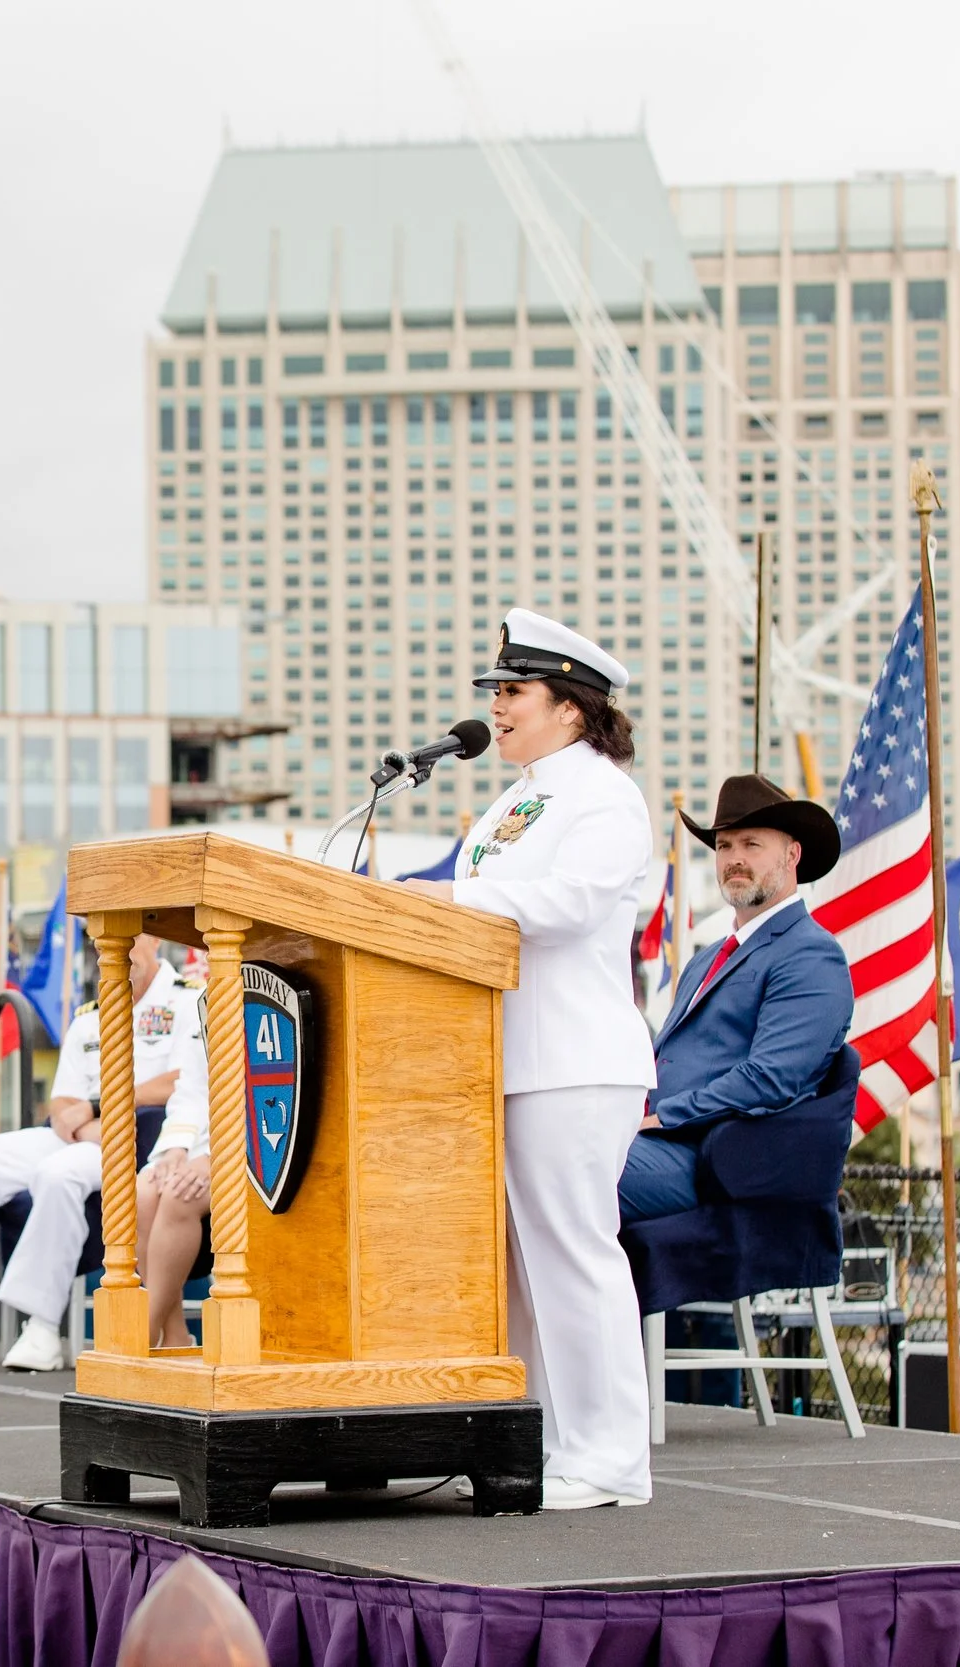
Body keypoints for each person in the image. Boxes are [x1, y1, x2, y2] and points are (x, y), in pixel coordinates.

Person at [402, 608, 653, 1510]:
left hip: (574, 1059)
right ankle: (542, 1442)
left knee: (575, 1255)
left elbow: (575, 902)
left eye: (513, 691)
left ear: (572, 708)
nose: (497, 707)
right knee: (518, 1264)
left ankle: (611, 1457)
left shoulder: (604, 795)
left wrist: (448, 900)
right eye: (496, 692)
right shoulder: (517, 798)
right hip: (502, 1060)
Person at [0, 934, 198, 1372]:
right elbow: (62, 1101)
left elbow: (183, 1081)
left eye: (133, 936)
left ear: (157, 940)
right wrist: (86, 1122)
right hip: (84, 1135)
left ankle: (43, 1328)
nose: (120, 950)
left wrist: (102, 1109)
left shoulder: (188, 1002)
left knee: (57, 1175)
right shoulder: (90, 1017)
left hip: (145, 1143)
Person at [620, 775, 853, 1222]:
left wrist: (666, 1117)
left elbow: (771, 1079)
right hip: (652, 1140)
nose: (734, 859)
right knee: (524, 1153)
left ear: (792, 855)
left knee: (567, 1172)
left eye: (751, 844)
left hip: (714, 1158)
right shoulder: (704, 961)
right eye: (725, 847)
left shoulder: (811, 954)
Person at [136, 993, 212, 1349]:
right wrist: (175, 1149)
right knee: (146, 1187)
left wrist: (217, 1156)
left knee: (180, 1197)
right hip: (199, 1140)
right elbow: (191, 1090)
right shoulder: (207, 1000)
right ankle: (176, 1335)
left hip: (257, 1143)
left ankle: (145, 1329)